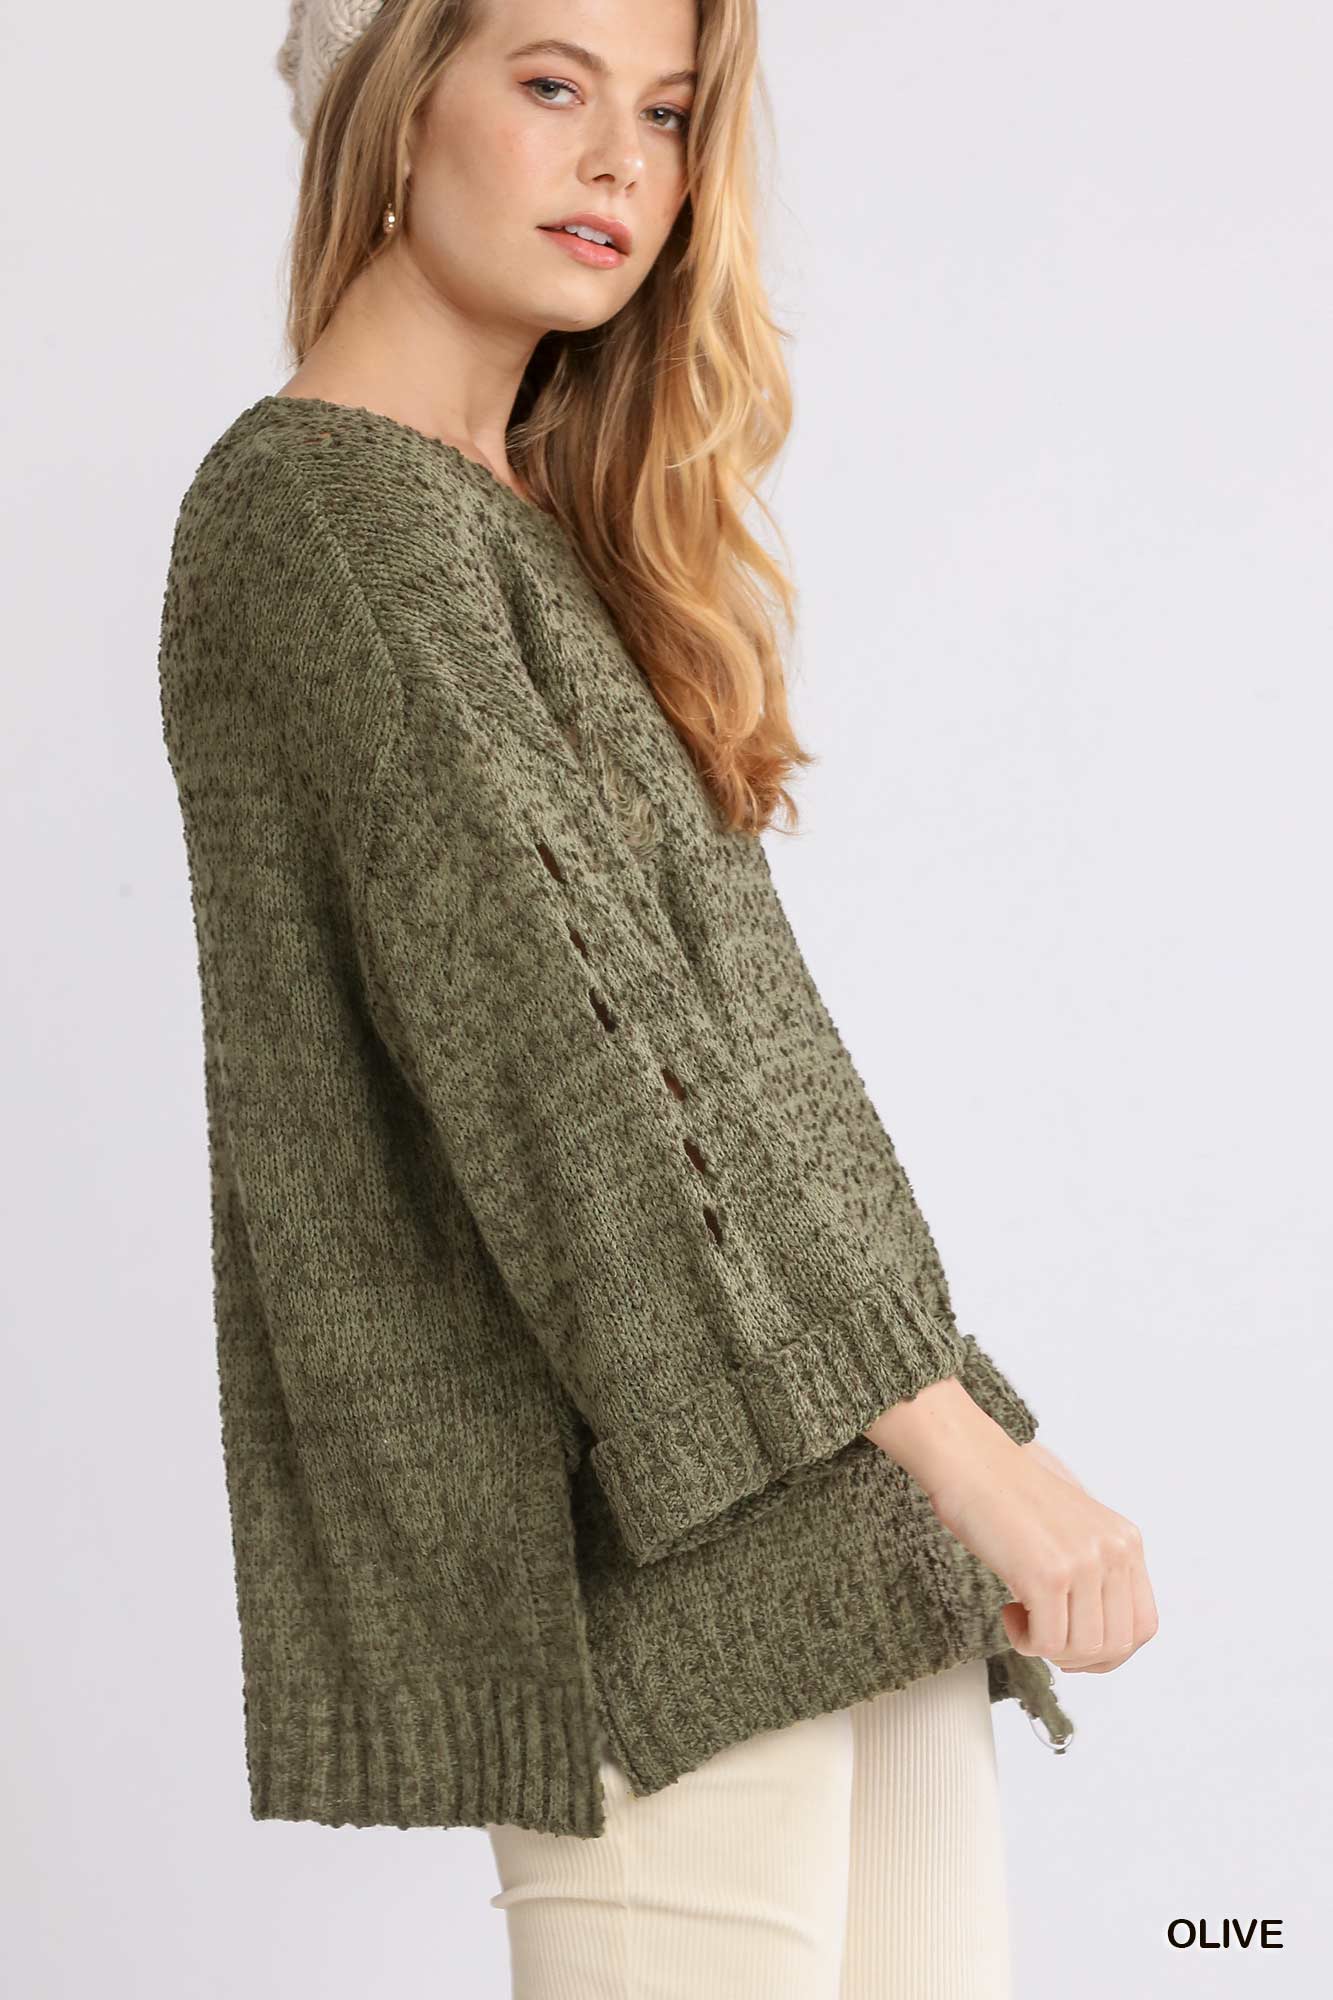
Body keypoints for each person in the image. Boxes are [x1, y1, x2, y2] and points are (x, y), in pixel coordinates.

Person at [156, 2, 1158, 1994]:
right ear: (391, 102)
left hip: (847, 1530)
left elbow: (721, 1071)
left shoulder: (526, 517)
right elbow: (569, 1061)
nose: (622, 160)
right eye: (552, 84)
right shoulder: (324, 517)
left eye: (671, 113)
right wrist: (968, 1449)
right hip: (653, 1568)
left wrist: (937, 1455)